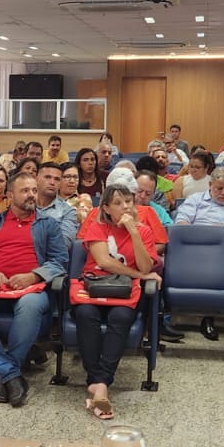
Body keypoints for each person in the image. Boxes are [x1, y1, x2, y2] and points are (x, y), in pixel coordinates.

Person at [0, 171, 68, 406]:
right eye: (25, 191)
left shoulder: (48, 224)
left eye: (34, 190)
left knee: (29, 305)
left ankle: (6, 373)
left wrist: (34, 276)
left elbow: (60, 261)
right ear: (10, 195)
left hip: (31, 289)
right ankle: (10, 373)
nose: (32, 195)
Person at [74, 180, 158, 422]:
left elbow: (146, 266)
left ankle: (98, 383)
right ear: (106, 208)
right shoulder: (98, 228)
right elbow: (105, 262)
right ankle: (99, 383)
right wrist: (139, 275)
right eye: (118, 203)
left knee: (120, 317)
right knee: (85, 314)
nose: (126, 207)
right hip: (95, 285)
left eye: (128, 202)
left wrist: (134, 232)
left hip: (124, 290)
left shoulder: (144, 231)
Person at [174, 168, 224, 240]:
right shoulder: (195, 199)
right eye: (219, 188)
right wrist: (203, 232)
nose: (223, 193)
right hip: (198, 241)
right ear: (210, 185)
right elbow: (181, 221)